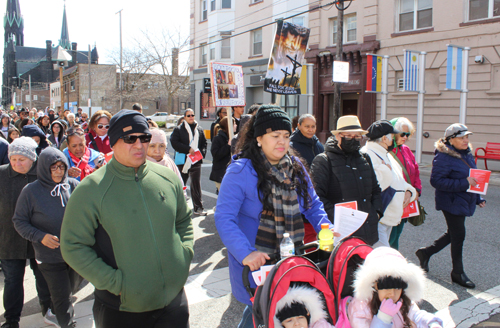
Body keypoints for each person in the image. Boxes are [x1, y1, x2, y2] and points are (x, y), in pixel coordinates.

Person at [60, 109, 193, 328]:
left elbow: (184, 221)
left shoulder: (168, 177)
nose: (139, 145)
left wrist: (183, 258)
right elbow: (73, 245)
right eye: (130, 138)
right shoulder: (91, 189)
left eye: (145, 138)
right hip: (122, 307)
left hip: (174, 303)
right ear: (112, 143)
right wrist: (115, 283)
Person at [214, 105, 332, 328]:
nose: (282, 142)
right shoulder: (240, 170)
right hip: (257, 263)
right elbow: (224, 217)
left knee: (286, 314)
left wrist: (325, 226)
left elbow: (312, 205)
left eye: (286, 136)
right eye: (275, 136)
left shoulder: (295, 166)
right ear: (259, 138)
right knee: (258, 314)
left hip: (292, 258)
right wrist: (246, 253)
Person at [13, 148, 79, 328]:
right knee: (62, 297)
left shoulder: (73, 184)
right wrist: (40, 236)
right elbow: (19, 221)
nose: (58, 171)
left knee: (70, 290)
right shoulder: (31, 191)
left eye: (61, 167)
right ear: (43, 168)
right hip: (50, 256)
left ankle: (57, 314)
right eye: (53, 168)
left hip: (74, 253)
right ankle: (67, 323)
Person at [416, 124, 485, 289]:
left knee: (453, 233)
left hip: (463, 198)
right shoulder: (444, 157)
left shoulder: (466, 154)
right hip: (451, 201)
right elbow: (436, 181)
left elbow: (473, 178)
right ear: (450, 140)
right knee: (459, 234)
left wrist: (478, 197)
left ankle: (426, 252)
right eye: (462, 138)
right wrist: (464, 183)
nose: (466, 140)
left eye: (467, 137)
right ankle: (457, 273)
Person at [0, 137, 52, 328]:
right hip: (8, 238)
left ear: (33, 159)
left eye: (21, 159)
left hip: (39, 237)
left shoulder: (43, 175)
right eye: (13, 159)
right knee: (13, 280)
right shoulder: (1, 175)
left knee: (43, 276)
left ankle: (48, 310)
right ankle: (11, 319)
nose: (16, 163)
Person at [311, 115, 382, 245]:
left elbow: (376, 190)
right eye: (348, 136)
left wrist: (376, 212)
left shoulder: (365, 158)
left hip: (367, 230)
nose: (353, 139)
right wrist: (338, 220)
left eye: (357, 136)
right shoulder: (324, 160)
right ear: (338, 136)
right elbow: (317, 197)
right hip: (341, 233)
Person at [347, 247, 443, 328]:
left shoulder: (402, 300)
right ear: (374, 285)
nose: (392, 294)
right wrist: (383, 318)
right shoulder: (361, 308)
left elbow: (415, 314)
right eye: (386, 287)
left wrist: (431, 322)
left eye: (398, 287)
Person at [361, 120, 416, 248]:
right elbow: (374, 184)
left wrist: (409, 191)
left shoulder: (385, 153)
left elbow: (398, 179)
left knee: (384, 253)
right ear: (385, 138)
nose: (394, 139)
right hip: (380, 216)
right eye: (392, 136)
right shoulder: (367, 153)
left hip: (388, 215)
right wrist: (385, 170)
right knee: (382, 257)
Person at [388, 117, 422, 250]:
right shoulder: (387, 151)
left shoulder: (406, 150)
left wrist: (416, 191)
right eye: (402, 134)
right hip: (393, 201)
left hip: (407, 200)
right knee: (390, 236)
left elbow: (416, 172)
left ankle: (393, 262)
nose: (405, 137)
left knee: (397, 235)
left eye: (408, 134)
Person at [170, 109, 208, 216]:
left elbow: (204, 143)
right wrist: (188, 149)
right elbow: (174, 143)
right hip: (183, 161)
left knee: (196, 184)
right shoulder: (179, 129)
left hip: (196, 161)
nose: (191, 117)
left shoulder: (199, 129)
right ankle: (176, 207)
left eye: (192, 115)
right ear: (185, 117)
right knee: (181, 183)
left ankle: (198, 208)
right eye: (188, 115)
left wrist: (201, 154)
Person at [146, 128, 186, 194]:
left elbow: (180, 188)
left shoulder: (169, 163)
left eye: (161, 146)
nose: (157, 151)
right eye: (152, 146)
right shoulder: (139, 166)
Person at [210, 117, 233, 192]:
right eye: (234, 123)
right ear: (229, 126)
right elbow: (216, 155)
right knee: (224, 197)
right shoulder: (217, 139)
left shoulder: (232, 138)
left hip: (230, 174)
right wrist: (228, 146)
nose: (236, 125)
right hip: (220, 174)